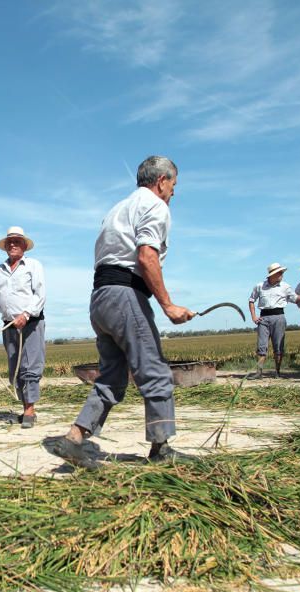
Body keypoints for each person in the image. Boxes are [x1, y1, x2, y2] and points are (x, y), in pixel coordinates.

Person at [52, 155, 194, 468]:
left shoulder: (117, 209)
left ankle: (75, 437)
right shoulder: (156, 206)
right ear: (161, 182)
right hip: (125, 296)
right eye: (173, 185)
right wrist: (168, 305)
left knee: (112, 377)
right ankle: (161, 449)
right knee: (154, 371)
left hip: (101, 298)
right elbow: (146, 257)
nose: (173, 193)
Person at [0, 226, 46, 428]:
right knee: (15, 367)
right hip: (8, 325)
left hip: (32, 323)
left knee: (30, 367)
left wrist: (26, 314)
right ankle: (24, 405)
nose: (12, 244)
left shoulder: (33, 266)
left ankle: (30, 410)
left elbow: (40, 295)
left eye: (17, 241)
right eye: (10, 242)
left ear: (24, 246)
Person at [248, 263, 300, 379]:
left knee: (278, 345)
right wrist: (254, 317)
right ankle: (259, 372)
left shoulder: (285, 287)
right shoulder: (260, 286)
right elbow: (251, 300)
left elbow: (296, 299)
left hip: (279, 317)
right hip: (263, 318)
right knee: (261, 346)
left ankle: (277, 372)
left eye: (282, 272)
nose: (281, 274)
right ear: (272, 275)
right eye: (279, 272)